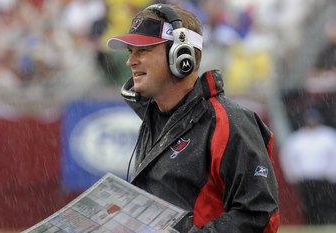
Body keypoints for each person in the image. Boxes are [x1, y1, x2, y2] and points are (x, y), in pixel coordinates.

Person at [106, 3, 279, 233]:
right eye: (131, 52)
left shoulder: (229, 121)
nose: (130, 61)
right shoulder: (154, 121)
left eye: (143, 50)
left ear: (181, 56)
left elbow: (260, 215)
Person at [279, 108, 336, 225]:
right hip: (305, 178)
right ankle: (312, 223)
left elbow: (333, 155)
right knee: (308, 202)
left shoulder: (328, 135)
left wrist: (332, 172)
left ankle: (326, 222)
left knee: (325, 202)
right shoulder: (297, 138)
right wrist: (292, 174)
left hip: (324, 177)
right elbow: (288, 157)